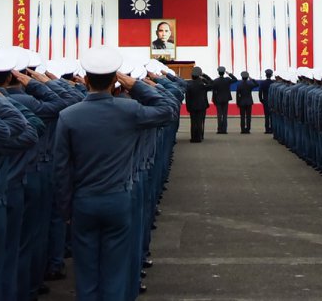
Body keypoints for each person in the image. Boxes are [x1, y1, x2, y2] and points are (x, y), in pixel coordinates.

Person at [52, 47, 178, 301]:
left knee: (86, 273)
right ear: (115, 81)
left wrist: (66, 210)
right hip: (118, 199)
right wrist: (136, 85)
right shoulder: (128, 111)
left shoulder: (68, 116)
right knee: (116, 271)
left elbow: (61, 169)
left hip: (83, 201)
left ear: (85, 80)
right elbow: (167, 108)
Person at [185, 70, 212, 143]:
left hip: (192, 106)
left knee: (193, 122)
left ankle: (193, 137)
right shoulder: (202, 85)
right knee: (200, 122)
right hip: (201, 106)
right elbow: (211, 83)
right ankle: (199, 137)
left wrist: (188, 107)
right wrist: (204, 77)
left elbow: (187, 97)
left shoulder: (189, 85)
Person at [211, 67, 236, 135]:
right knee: (225, 115)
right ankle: (224, 130)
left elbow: (214, 91)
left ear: (218, 73)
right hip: (225, 99)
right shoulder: (227, 80)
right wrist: (229, 74)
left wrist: (214, 100)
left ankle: (219, 129)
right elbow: (235, 79)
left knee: (219, 115)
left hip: (218, 99)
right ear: (224, 73)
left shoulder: (216, 81)